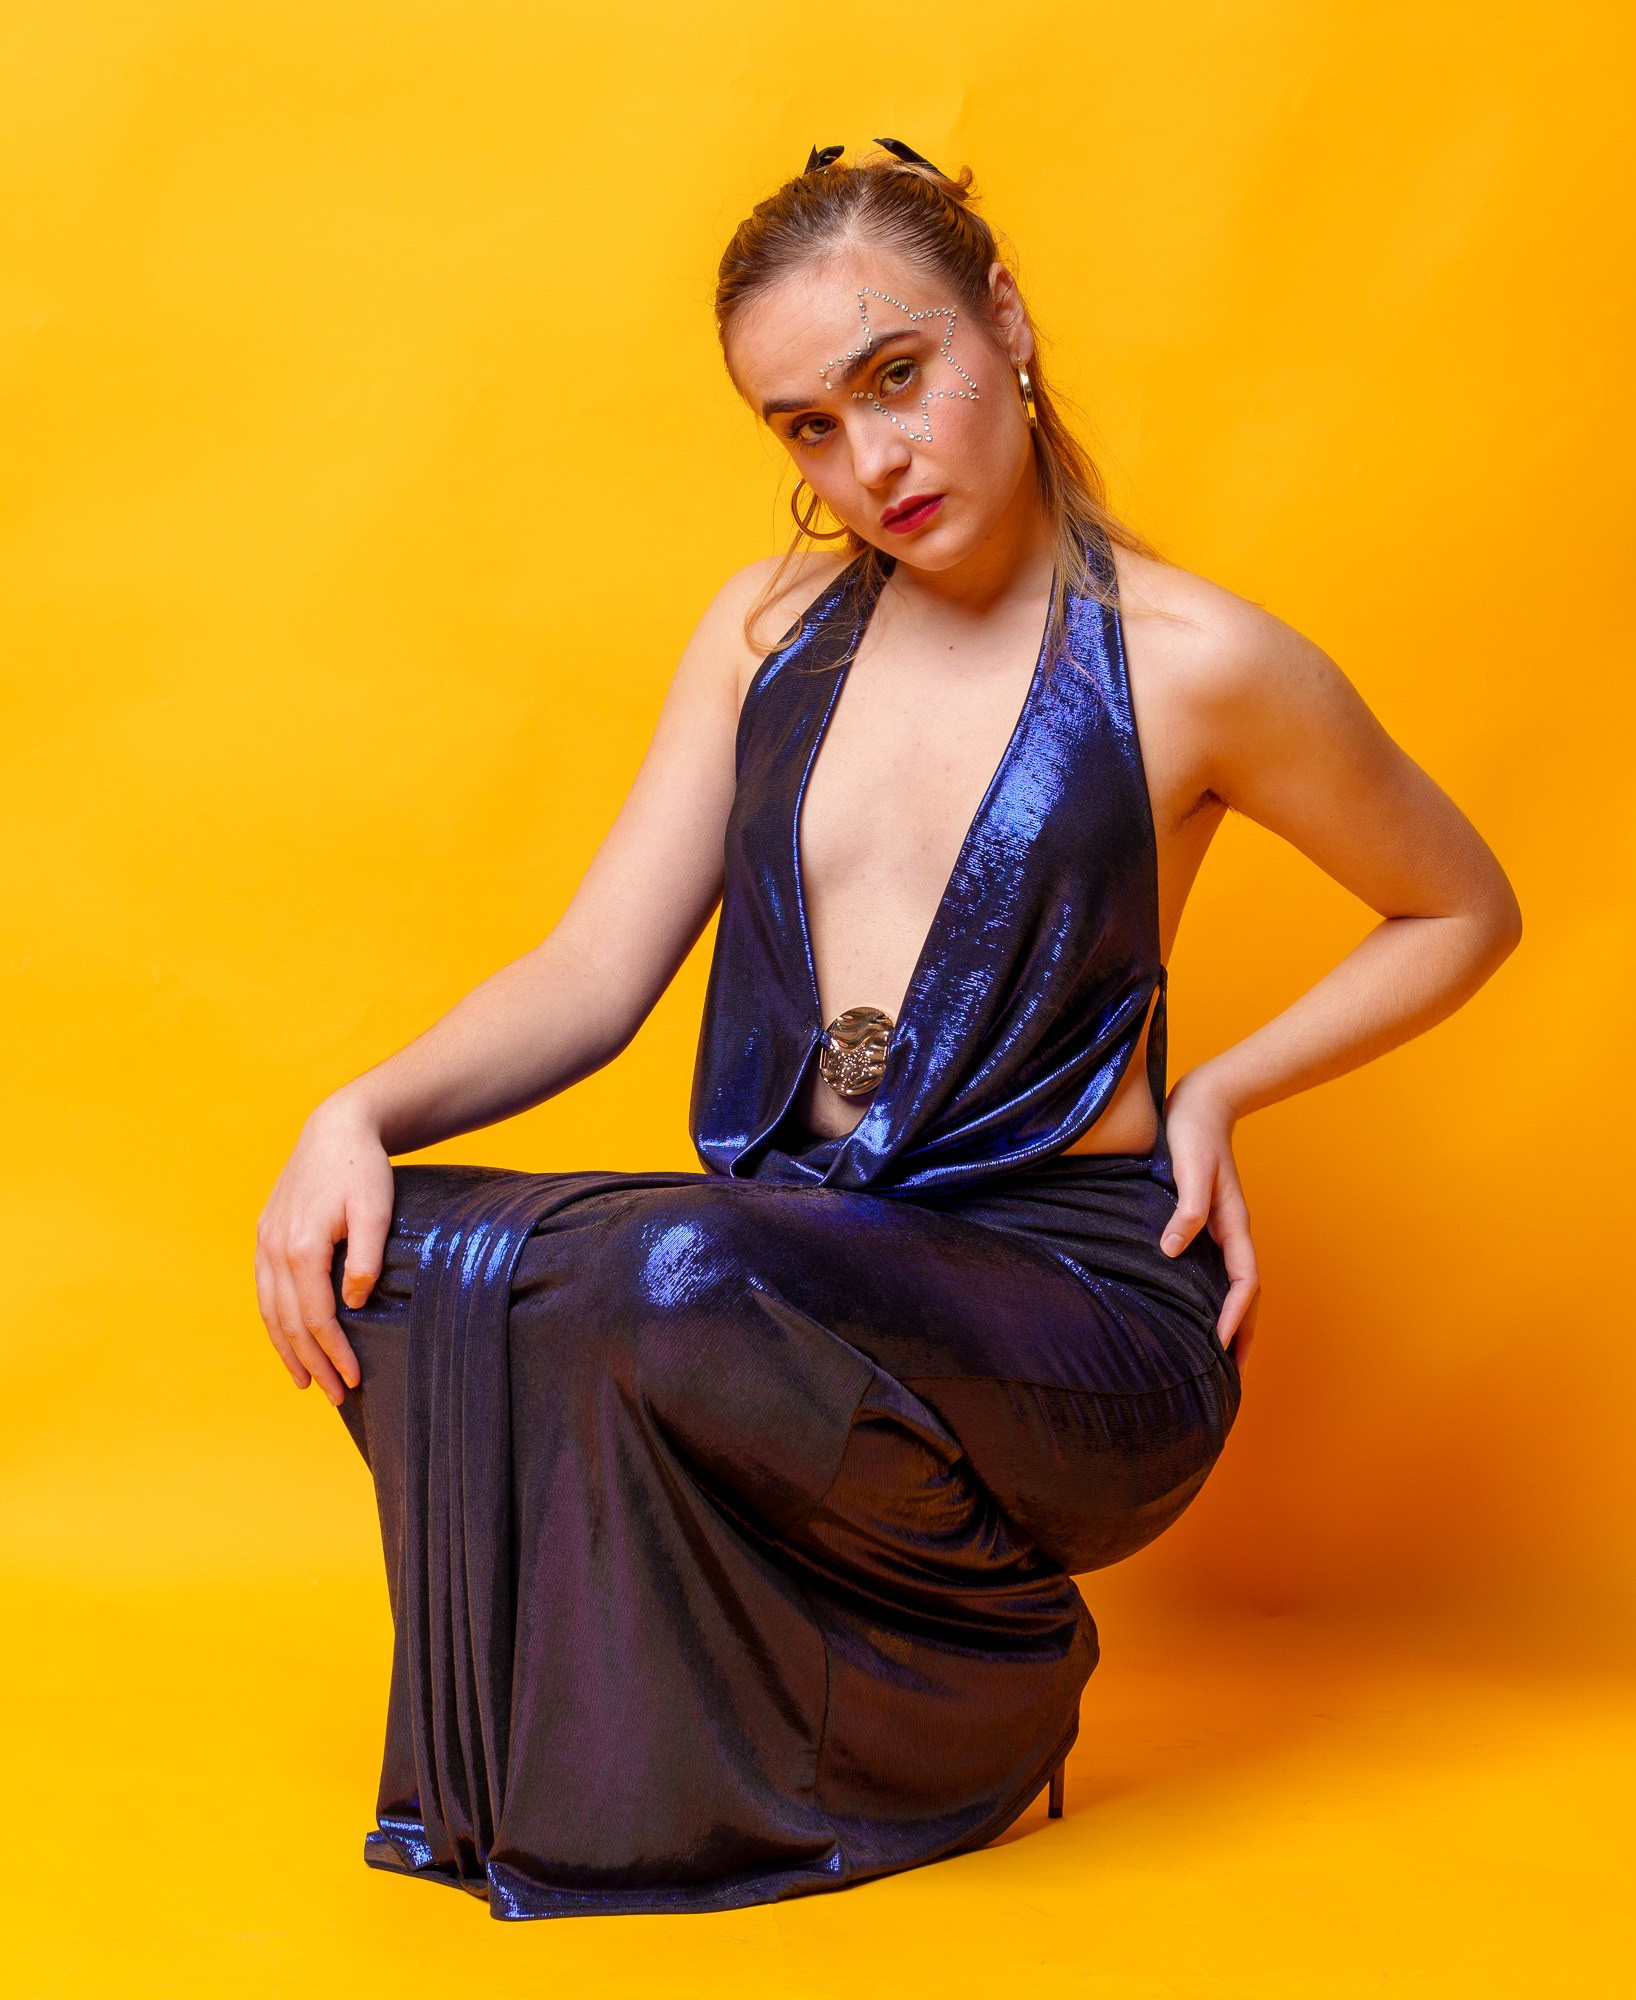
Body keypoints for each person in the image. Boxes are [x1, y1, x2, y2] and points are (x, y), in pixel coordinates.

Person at [254, 141, 1521, 1920]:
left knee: (676, 1268)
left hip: (1078, 1321)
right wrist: (355, 1115)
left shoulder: (1194, 661)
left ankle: (988, 1666)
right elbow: (597, 967)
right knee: (392, 1264)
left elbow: (1462, 906)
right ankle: (783, 1699)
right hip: (793, 1272)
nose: (873, 462)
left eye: (898, 376)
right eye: (810, 428)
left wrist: (1219, 1090)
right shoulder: (764, 632)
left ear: (1005, 321)